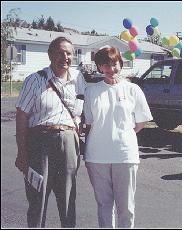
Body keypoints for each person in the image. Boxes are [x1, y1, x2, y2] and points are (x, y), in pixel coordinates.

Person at [15, 36, 86, 227]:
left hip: (70, 143)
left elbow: (85, 110)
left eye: (69, 53)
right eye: (60, 52)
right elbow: (21, 116)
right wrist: (22, 152)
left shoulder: (79, 81)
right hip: (40, 143)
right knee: (37, 197)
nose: (65, 57)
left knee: (68, 199)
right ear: (50, 55)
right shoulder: (35, 80)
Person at [83, 46, 153, 228]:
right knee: (104, 205)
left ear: (120, 64)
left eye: (114, 64)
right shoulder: (91, 91)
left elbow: (140, 123)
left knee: (126, 207)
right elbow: (90, 122)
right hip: (97, 157)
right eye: (105, 65)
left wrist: (123, 135)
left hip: (125, 156)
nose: (110, 69)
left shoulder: (133, 89)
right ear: (99, 67)